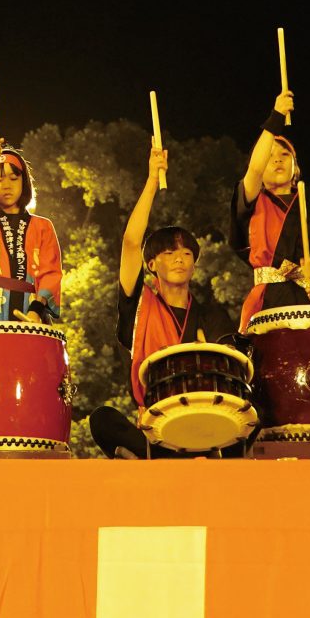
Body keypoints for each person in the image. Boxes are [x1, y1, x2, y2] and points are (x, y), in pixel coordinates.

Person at [90, 146, 232, 459]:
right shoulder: (139, 307)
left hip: (205, 428)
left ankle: (150, 461)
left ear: (195, 263)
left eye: (186, 254)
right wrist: (152, 179)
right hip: (155, 428)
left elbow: (228, 369)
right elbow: (130, 244)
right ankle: (159, 458)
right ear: (152, 264)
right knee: (102, 419)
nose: (179, 259)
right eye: (169, 253)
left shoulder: (211, 314)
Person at [234, 89, 310, 329]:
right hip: (267, 302)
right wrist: (276, 117)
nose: (278, 159)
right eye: (271, 155)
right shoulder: (253, 201)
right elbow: (253, 170)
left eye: (285, 155)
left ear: (295, 168)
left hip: (308, 301)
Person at [0, 139, 62, 324]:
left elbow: (50, 273)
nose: (6, 185)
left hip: (32, 310)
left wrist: (36, 309)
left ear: (24, 182)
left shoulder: (43, 226)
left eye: (14, 178)